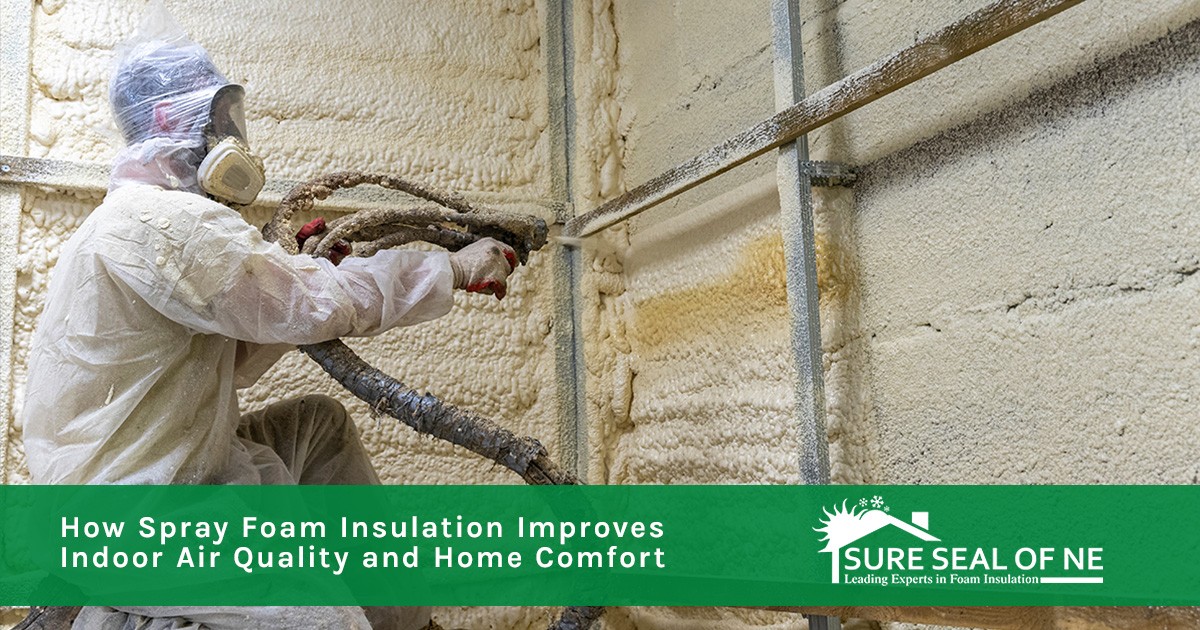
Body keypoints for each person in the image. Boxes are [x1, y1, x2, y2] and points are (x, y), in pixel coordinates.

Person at [19, 5, 515, 629]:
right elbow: (308, 304)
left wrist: (306, 271)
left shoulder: (143, 223)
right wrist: (451, 268)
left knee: (319, 427)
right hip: (136, 516)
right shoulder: (160, 221)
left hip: (163, 471)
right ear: (176, 118)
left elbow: (241, 354)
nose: (234, 136)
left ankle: (405, 621)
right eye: (221, 118)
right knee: (327, 624)